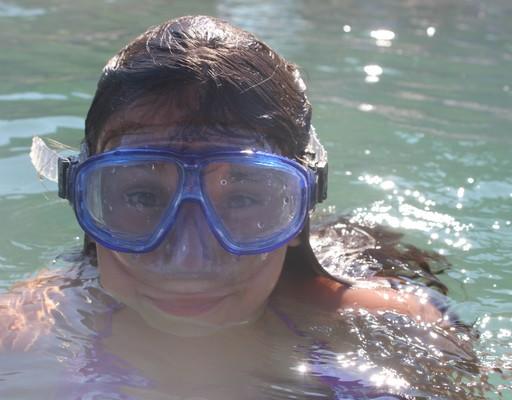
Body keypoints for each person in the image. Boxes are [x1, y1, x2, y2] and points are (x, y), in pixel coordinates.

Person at [5, 15, 478, 399]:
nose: (189, 260)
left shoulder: (396, 335)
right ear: (86, 198)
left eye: (243, 198)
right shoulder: (19, 337)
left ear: (299, 210)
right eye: (143, 197)